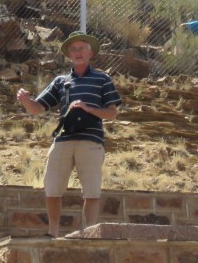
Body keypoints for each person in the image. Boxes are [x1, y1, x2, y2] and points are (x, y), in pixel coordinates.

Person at [16, 32, 121, 237]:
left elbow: (112, 113)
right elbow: (38, 108)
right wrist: (25, 100)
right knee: (52, 188)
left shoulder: (102, 79)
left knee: (91, 191)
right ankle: (53, 233)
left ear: (90, 53)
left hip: (91, 140)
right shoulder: (61, 81)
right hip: (63, 139)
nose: (77, 52)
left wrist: (87, 108)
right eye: (73, 49)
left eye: (82, 48)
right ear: (69, 55)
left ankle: (89, 233)